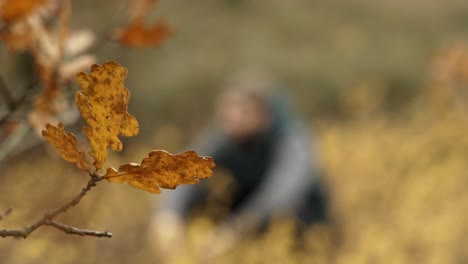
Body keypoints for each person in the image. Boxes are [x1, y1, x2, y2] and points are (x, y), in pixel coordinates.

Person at [149, 70, 328, 259]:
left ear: (262, 115)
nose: (230, 120)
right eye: (227, 113)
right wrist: (168, 214)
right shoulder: (227, 137)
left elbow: (283, 193)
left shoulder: (293, 139)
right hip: (246, 218)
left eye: (241, 112)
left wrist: (235, 230)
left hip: (300, 227)